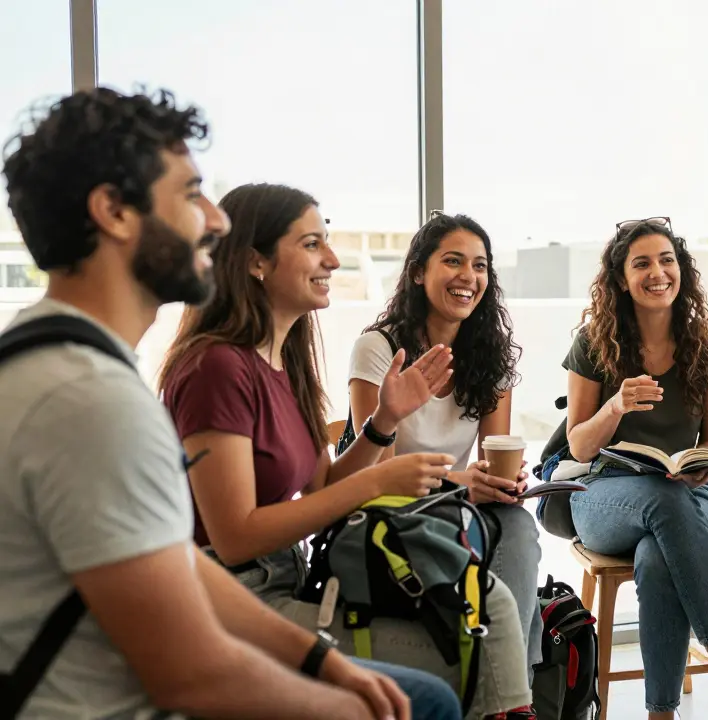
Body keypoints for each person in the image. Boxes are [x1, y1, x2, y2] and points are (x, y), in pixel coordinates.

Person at [0, 88, 458, 719]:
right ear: (113, 211)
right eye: (191, 195)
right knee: (425, 700)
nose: (215, 220)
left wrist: (314, 660)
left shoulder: (66, 365)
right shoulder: (90, 400)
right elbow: (191, 674)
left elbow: (178, 558)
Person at [157, 183, 533, 719]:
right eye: (313, 245)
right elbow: (235, 538)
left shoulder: (288, 362)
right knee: (473, 643)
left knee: (482, 612)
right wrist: (379, 480)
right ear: (255, 262)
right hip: (234, 596)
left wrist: (384, 421)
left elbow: (323, 488)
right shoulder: (217, 369)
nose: (333, 259)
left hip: (291, 578)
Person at [564, 217, 708, 720]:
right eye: (641, 263)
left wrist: (701, 464)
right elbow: (578, 447)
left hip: (684, 495)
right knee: (661, 504)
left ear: (681, 270)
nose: (657, 272)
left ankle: (660, 715)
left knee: (657, 561)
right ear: (621, 279)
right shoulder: (593, 343)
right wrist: (615, 407)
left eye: (667, 260)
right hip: (604, 496)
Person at [348, 209, 541, 671]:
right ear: (419, 272)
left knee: (517, 526)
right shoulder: (379, 348)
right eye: (453, 261)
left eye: (479, 266)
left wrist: (504, 482)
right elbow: (378, 473)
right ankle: (505, 682)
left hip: (456, 504)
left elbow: (493, 458)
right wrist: (463, 483)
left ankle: (505, 685)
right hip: (390, 508)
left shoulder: (490, 355)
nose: (468, 277)